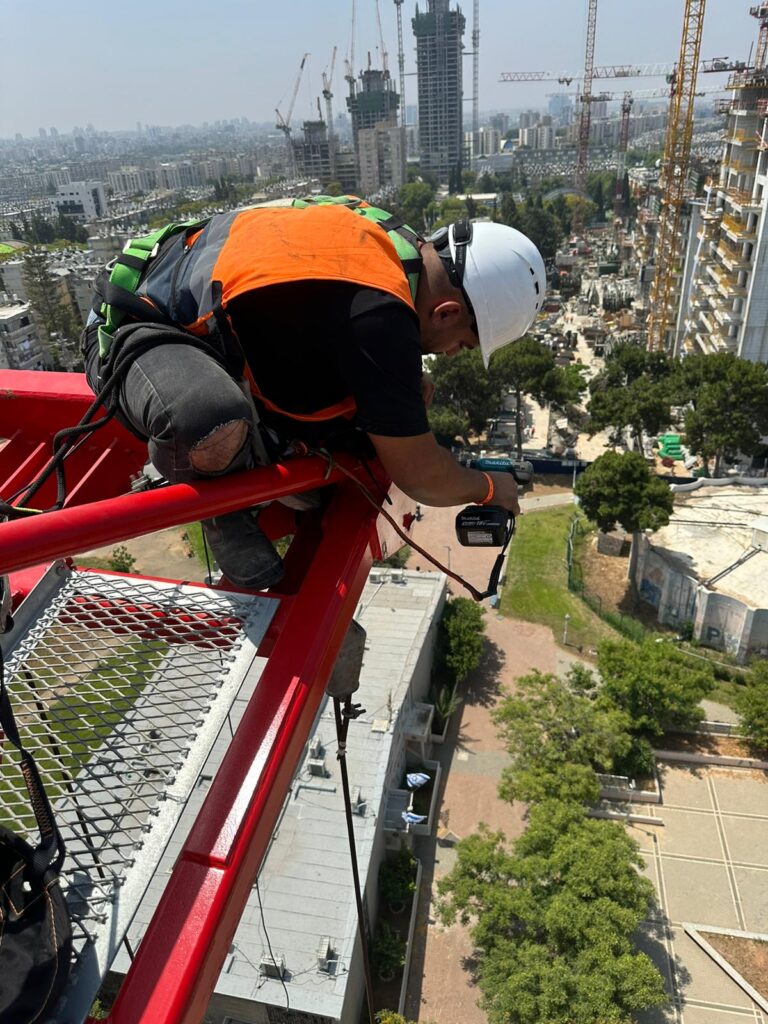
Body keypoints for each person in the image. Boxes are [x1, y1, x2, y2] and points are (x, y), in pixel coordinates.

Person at [82, 199, 546, 589]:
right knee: (209, 419)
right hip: (137, 330)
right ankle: (221, 507)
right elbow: (421, 476)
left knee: (391, 416)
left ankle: (256, 446)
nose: (449, 355)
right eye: (462, 344)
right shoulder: (379, 308)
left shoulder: (393, 244)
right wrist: (488, 488)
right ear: (445, 312)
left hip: (231, 341)